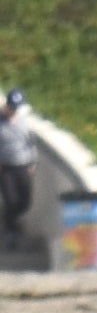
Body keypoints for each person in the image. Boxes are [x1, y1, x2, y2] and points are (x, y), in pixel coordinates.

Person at [0, 91, 33, 246]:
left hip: (23, 165)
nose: (12, 111)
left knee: (25, 201)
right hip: (6, 168)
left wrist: (33, 163)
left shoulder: (23, 122)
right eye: (11, 107)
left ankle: (14, 223)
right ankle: (11, 232)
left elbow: (30, 143)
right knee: (10, 199)